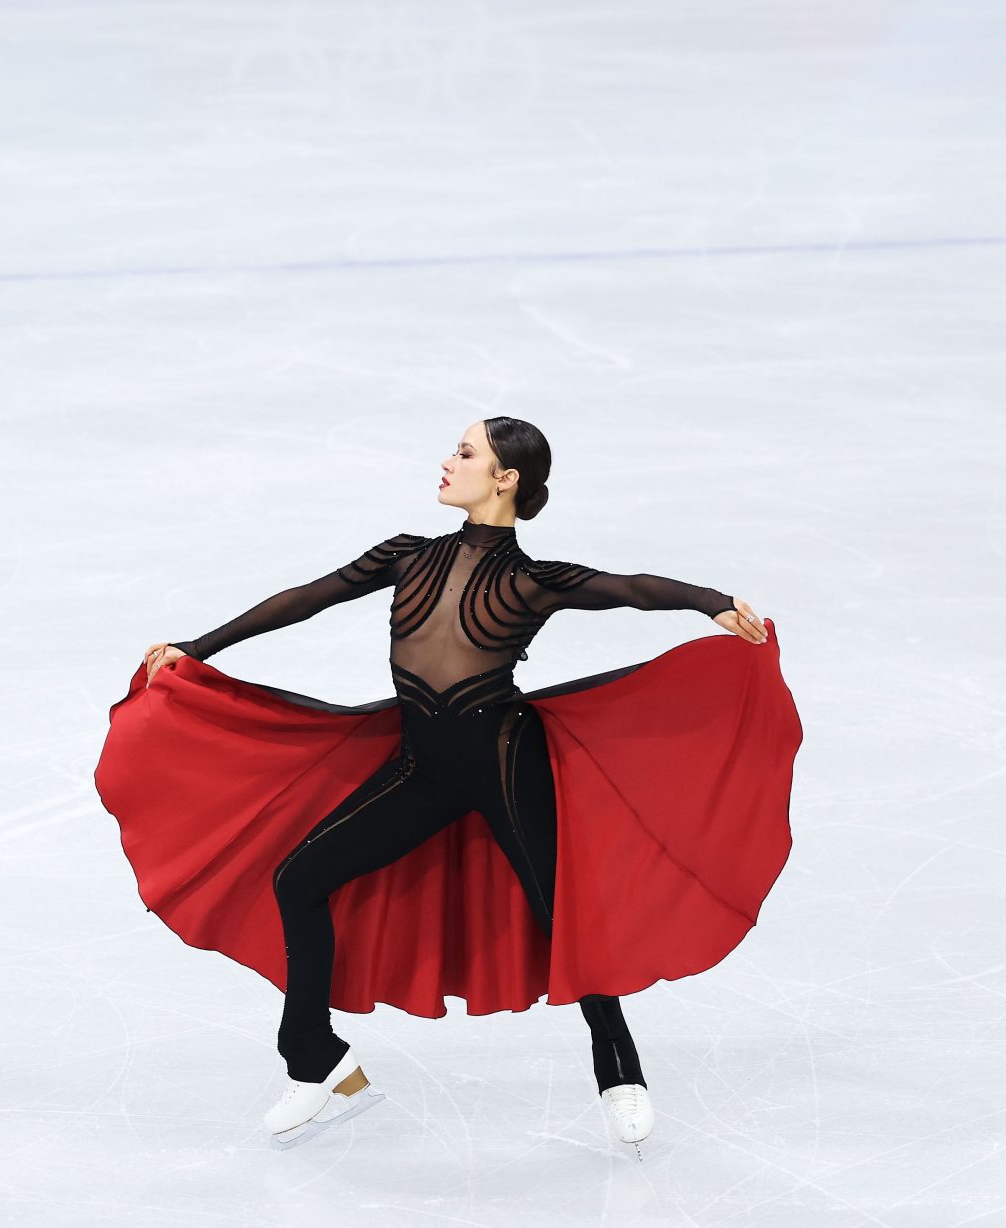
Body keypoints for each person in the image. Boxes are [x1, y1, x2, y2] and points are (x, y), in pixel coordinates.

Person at [100, 418, 800, 1147]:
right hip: (420, 768)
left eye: (465, 453)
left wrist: (710, 600)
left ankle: (618, 1066)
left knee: (563, 914)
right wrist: (197, 647)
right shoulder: (406, 556)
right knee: (297, 878)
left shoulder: (533, 580)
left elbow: (628, 587)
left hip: (506, 762)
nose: (446, 461)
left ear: (506, 481)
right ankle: (314, 1057)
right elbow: (308, 596)